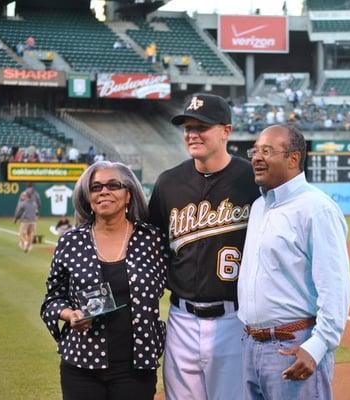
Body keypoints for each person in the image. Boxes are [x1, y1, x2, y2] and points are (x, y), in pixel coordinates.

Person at [148, 93, 260, 400]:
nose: (192, 134)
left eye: (202, 126)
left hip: (234, 319)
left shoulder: (252, 180)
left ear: (226, 131)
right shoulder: (168, 183)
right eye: (187, 127)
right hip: (181, 318)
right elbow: (153, 248)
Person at [238, 124, 350, 400]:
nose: (256, 157)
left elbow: (335, 286)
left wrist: (318, 345)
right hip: (251, 344)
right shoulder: (259, 206)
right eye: (255, 150)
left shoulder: (317, 208)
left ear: (293, 158)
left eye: (267, 151)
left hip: (292, 346)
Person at [40, 161, 169, 400]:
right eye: (96, 187)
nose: (104, 191)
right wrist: (70, 315)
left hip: (136, 366)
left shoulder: (152, 240)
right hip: (82, 366)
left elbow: (181, 282)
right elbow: (52, 299)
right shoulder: (71, 242)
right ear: (88, 197)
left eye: (113, 185)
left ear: (128, 194)